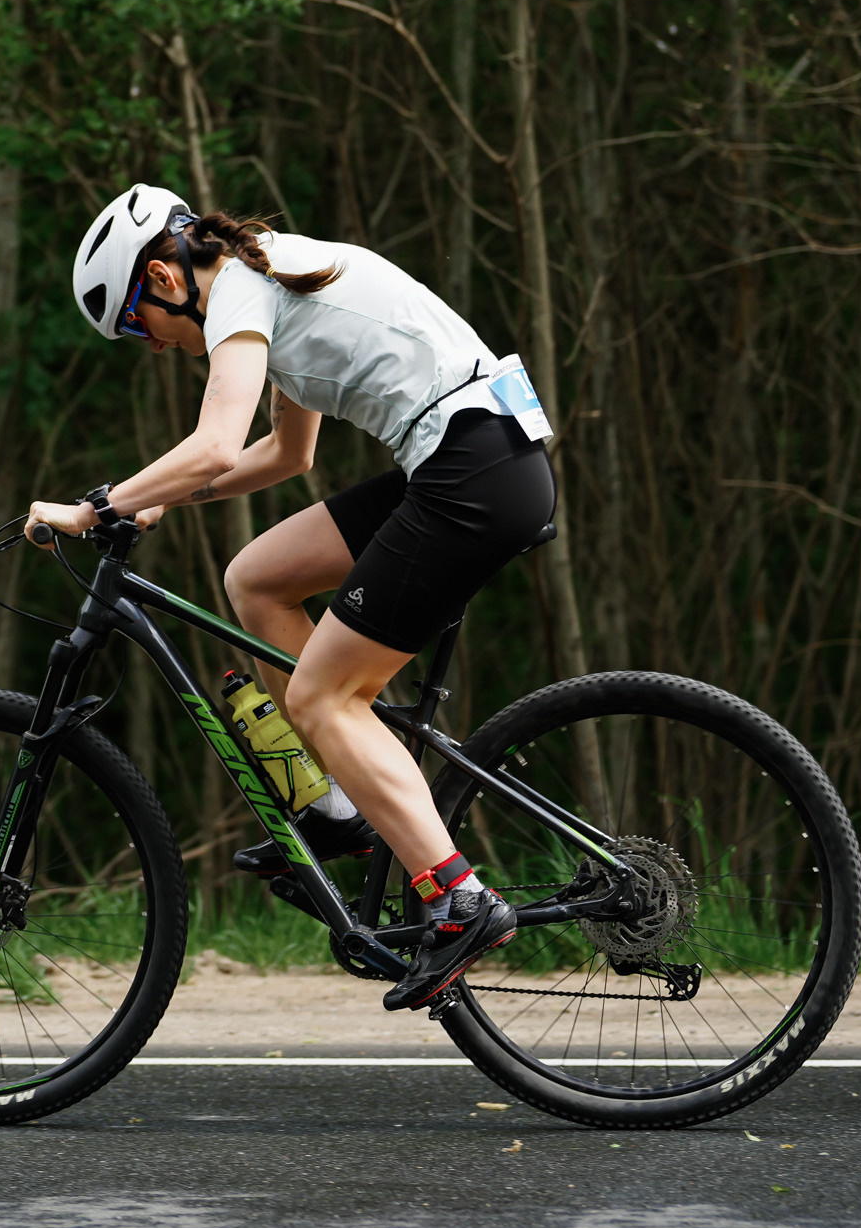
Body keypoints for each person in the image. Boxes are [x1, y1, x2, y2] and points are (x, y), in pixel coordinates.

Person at [31, 184, 558, 1012]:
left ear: (166, 281)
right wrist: (160, 498)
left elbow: (212, 444)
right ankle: (339, 804)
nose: (157, 348)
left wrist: (100, 505)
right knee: (257, 578)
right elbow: (285, 453)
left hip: (474, 466)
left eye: (140, 328)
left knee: (322, 695)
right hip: (474, 455)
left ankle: (458, 898)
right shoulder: (265, 273)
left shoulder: (241, 290)